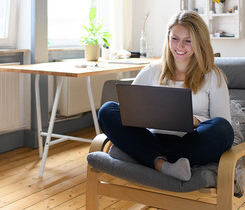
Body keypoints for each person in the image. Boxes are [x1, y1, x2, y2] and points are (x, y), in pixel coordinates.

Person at [98, 10, 234, 181]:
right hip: (150, 138)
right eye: (175, 39)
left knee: (222, 130)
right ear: (168, 38)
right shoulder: (152, 71)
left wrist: (196, 121)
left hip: (189, 143)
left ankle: (144, 158)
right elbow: (128, 112)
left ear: (199, 42)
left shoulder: (213, 76)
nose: (179, 46)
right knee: (107, 110)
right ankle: (164, 165)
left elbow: (224, 124)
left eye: (188, 41)